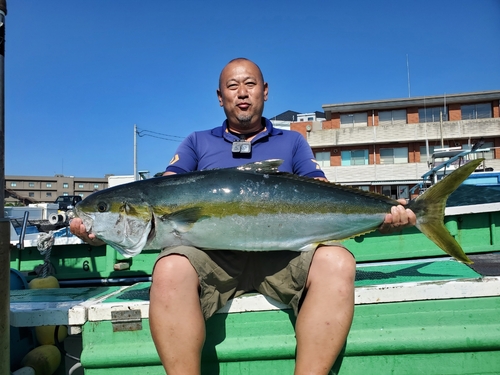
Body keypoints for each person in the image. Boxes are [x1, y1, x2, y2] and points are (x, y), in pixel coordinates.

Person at [70, 58, 416, 375]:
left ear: (264, 91)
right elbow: (167, 189)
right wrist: (98, 231)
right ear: (220, 97)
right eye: (232, 87)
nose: (242, 93)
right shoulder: (196, 142)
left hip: (284, 257)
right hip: (214, 259)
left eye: (249, 84)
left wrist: (380, 216)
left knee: (338, 261)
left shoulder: (292, 142)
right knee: (169, 267)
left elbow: (320, 188)